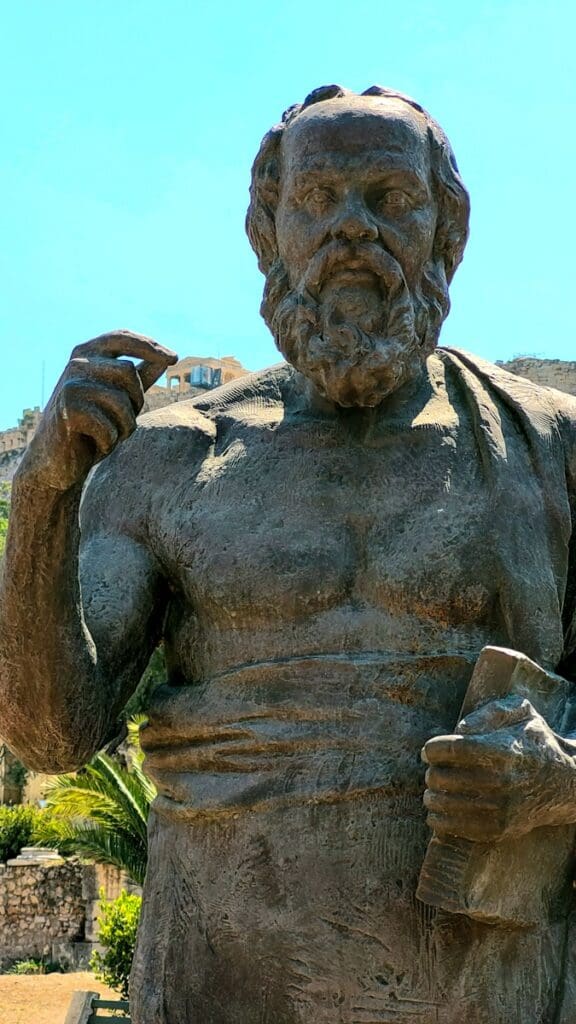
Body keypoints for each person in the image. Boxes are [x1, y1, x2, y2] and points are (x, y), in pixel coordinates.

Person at [1, 84, 576, 1023]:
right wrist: (42, 498)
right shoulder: (170, 457)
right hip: (223, 978)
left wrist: (557, 779)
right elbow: (51, 736)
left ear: (447, 233)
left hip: (486, 991)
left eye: (390, 198)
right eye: (318, 201)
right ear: (268, 233)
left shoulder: (549, 449)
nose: (353, 229)